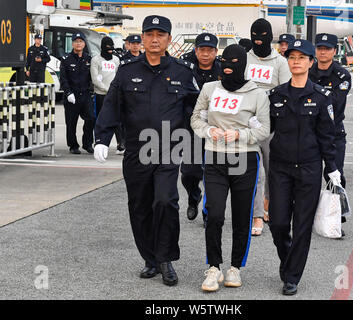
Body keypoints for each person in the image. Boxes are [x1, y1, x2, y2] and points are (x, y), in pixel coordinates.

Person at [93, 15, 199, 287]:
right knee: (140, 206)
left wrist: (198, 139)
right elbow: (112, 106)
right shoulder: (127, 71)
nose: (154, 39)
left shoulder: (183, 72)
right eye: (149, 34)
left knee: (165, 201)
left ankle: (166, 259)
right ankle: (150, 259)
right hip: (137, 150)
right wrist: (102, 138)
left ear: (168, 39)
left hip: (168, 148)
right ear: (142, 37)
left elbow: (195, 110)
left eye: (160, 34)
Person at [190, 44, 270, 292]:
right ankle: (213, 267)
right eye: (224, 62)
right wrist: (208, 131)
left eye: (234, 63)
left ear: (243, 66)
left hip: (245, 159)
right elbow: (195, 118)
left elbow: (264, 130)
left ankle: (235, 266)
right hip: (215, 157)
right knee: (213, 214)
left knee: (241, 216)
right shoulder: (209, 89)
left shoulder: (257, 94)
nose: (228, 67)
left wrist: (239, 134)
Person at [268, 39, 339, 295]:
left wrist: (332, 169)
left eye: (302, 57)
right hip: (280, 168)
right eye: (291, 57)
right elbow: (266, 129)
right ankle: (288, 259)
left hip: (308, 168)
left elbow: (327, 137)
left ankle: (292, 276)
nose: (295, 61)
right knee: (277, 223)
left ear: (311, 62)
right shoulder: (275, 95)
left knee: (301, 226)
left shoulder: (321, 97)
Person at [245, 18, 291, 236]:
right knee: (257, 172)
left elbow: (285, 93)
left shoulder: (280, 63)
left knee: (272, 171)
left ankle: (269, 204)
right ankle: (256, 215)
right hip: (247, 125)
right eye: (254, 37)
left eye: (263, 37)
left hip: (272, 126)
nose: (258, 41)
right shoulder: (245, 59)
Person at [180, 33, 221, 223]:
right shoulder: (185, 69)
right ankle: (193, 195)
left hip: (215, 129)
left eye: (209, 50)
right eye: (202, 50)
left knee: (213, 174)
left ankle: (208, 211)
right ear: (196, 51)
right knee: (189, 173)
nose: (205, 54)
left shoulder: (222, 70)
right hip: (192, 128)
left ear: (215, 51)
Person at [309, 33, 351, 213]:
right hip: (309, 132)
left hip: (333, 132)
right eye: (320, 48)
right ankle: (307, 214)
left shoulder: (342, 75)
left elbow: (335, 103)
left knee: (335, 175)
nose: (323, 52)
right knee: (308, 176)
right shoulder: (307, 71)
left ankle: (335, 217)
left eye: (327, 49)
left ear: (335, 51)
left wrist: (313, 96)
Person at [60, 33, 95, 155]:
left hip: (85, 95)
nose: (78, 43)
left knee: (91, 118)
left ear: (84, 44)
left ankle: (88, 143)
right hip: (71, 96)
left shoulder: (89, 59)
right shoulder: (66, 60)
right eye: (76, 41)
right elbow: (63, 79)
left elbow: (92, 77)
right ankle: (73, 145)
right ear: (72, 43)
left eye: (81, 41)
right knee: (71, 122)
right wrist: (68, 93)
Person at [91, 36, 123, 154]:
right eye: (107, 47)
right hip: (101, 94)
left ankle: (121, 143)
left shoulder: (116, 60)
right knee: (100, 119)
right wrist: (106, 89)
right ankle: (99, 142)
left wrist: (115, 91)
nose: (110, 50)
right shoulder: (96, 60)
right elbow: (95, 79)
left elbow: (118, 76)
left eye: (111, 47)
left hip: (114, 94)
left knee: (118, 120)